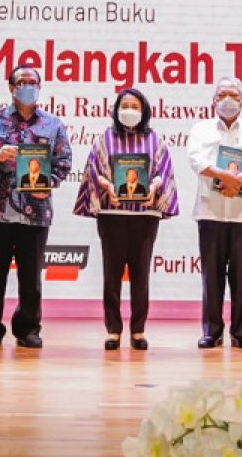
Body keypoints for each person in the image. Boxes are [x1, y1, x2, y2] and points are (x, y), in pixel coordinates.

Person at [0, 65, 72, 349]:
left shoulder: (53, 125)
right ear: (11, 87)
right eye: (21, 81)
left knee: (31, 277)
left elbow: (64, 163)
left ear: (40, 86)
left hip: (35, 213)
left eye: (33, 82)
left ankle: (28, 329)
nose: (27, 86)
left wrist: (46, 182)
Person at [73, 89, 179, 351]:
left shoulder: (155, 140)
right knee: (112, 274)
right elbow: (93, 171)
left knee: (140, 275)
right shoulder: (105, 139)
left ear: (143, 110)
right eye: (125, 105)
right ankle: (113, 329)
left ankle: (139, 329)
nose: (129, 110)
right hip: (112, 214)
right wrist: (108, 186)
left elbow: (162, 172)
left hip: (145, 216)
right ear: (116, 109)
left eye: (135, 105)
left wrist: (154, 187)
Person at [186, 77, 242, 349]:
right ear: (213, 100)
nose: (227, 99)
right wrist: (225, 176)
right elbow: (196, 159)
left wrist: (239, 181)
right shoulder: (200, 129)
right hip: (210, 210)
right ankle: (212, 331)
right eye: (222, 94)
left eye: (234, 95)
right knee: (211, 276)